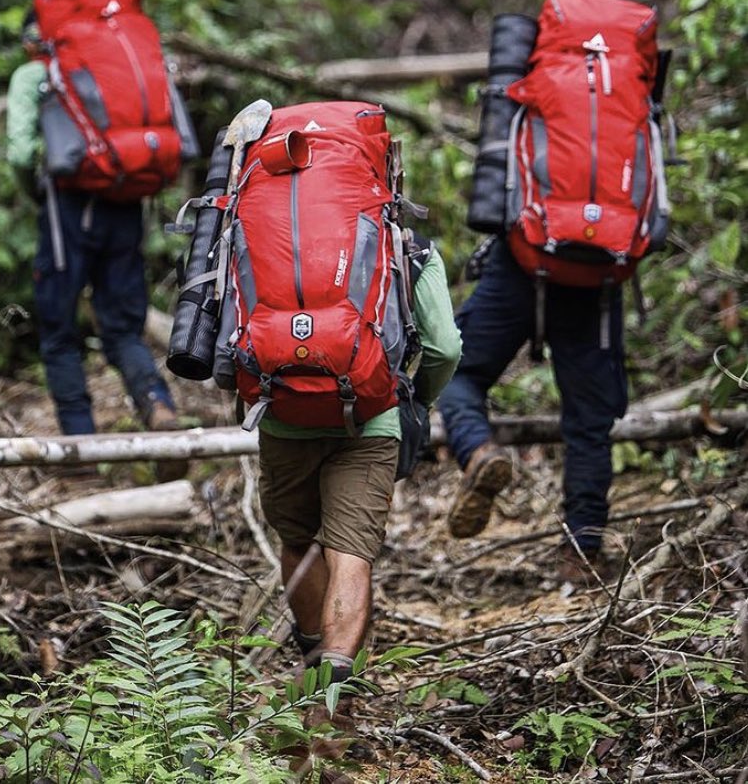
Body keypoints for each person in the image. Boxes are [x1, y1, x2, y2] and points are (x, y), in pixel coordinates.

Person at [258, 239, 461, 684]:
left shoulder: (260, 226)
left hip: (281, 415)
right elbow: (445, 347)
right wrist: (417, 400)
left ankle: (312, 676)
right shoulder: (406, 242)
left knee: (298, 543)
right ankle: (337, 697)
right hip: (371, 417)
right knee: (351, 554)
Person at [6, 11, 180, 446]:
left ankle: (80, 447)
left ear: (33, 40)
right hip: (125, 201)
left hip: (67, 208)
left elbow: (20, 153)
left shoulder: (34, 75)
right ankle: (157, 403)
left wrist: (38, 194)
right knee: (122, 326)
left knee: (59, 331)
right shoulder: (116, 69)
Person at [438, 236, 627, 578]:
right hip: (598, 274)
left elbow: (490, 205)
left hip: (518, 264)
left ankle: (477, 449)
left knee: (456, 374)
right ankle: (582, 552)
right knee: (590, 423)